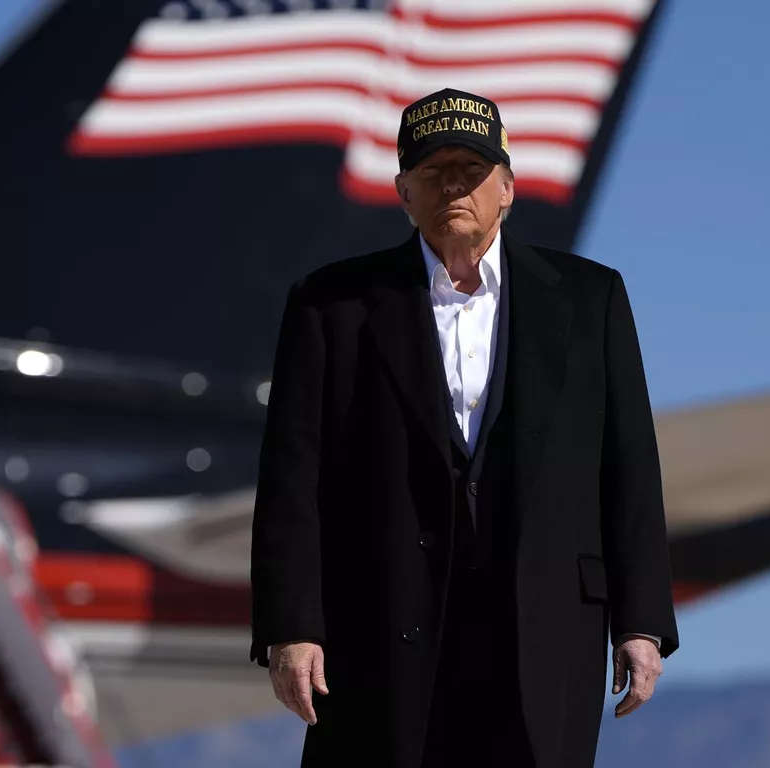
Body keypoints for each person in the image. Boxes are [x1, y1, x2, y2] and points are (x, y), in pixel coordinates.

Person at [248, 87, 680, 768]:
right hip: (380, 625)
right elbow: (291, 477)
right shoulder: (332, 305)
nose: (454, 186)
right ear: (403, 192)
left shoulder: (590, 298)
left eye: (472, 172)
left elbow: (628, 465)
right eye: (433, 171)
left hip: (544, 624)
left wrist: (642, 621)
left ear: (506, 188)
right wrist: (290, 626)